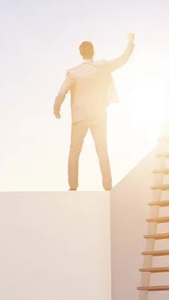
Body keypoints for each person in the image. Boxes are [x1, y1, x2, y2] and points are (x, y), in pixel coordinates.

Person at [53, 33, 135, 191]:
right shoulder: (103, 66)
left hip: (79, 117)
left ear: (80, 53)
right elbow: (122, 60)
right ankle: (108, 187)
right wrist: (130, 42)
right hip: (98, 115)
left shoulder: (73, 72)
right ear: (93, 52)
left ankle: (73, 187)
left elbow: (62, 92)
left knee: (74, 152)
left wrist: (56, 109)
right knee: (102, 151)